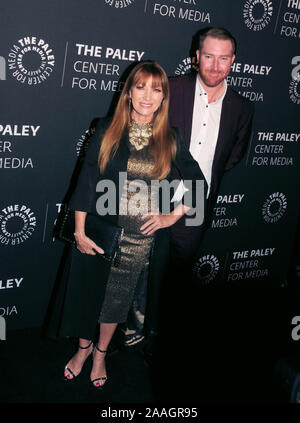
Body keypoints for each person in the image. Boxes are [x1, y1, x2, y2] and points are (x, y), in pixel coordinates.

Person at [46, 61, 205, 389]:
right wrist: (78, 232)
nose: (148, 95)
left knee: (115, 301)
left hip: (138, 240)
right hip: (98, 230)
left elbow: (197, 182)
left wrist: (171, 216)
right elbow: (86, 182)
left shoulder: (169, 136)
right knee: (86, 295)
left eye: (156, 89)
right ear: (128, 92)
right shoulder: (106, 128)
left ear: (163, 98)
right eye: (141, 87)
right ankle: (82, 349)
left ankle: (101, 353)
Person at [169, 26, 255, 263]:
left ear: (232, 60)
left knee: (174, 284)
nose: (215, 66)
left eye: (223, 58)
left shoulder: (242, 108)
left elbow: (232, 156)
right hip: (151, 198)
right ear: (196, 56)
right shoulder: (169, 89)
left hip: (196, 209)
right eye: (209, 57)